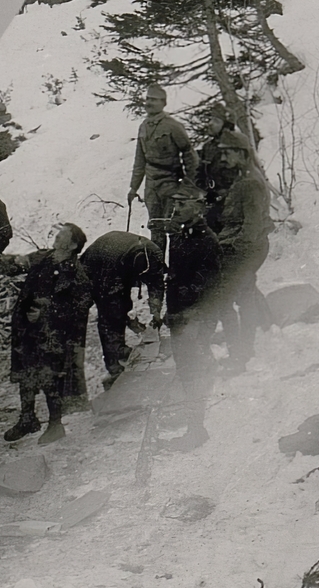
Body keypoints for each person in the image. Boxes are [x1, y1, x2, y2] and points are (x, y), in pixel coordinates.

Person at [4, 223, 90, 445]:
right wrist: (7, 260)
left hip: (53, 336)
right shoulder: (45, 256)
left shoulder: (76, 273)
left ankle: (55, 424)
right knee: (26, 373)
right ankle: (27, 418)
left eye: (63, 235)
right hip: (28, 330)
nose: (57, 235)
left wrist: (46, 311)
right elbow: (20, 263)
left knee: (50, 378)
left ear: (71, 245)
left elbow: (79, 308)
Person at [162, 186, 221, 451]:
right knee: (187, 369)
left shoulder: (206, 240)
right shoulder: (180, 236)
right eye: (175, 204)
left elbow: (209, 282)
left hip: (195, 316)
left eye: (183, 204)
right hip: (180, 315)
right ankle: (193, 422)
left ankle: (197, 429)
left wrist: (190, 314)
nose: (177, 209)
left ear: (198, 208)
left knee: (192, 369)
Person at [212, 144, 274, 373]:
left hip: (245, 248)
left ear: (242, 154)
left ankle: (241, 355)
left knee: (229, 300)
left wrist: (236, 250)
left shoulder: (249, 183)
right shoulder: (244, 178)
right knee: (245, 294)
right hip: (245, 246)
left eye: (228, 152)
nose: (224, 156)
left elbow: (252, 223)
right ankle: (247, 348)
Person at [79, 230, 165, 387]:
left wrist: (156, 313)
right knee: (108, 321)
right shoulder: (112, 266)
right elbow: (110, 304)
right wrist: (126, 318)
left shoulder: (154, 254)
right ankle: (115, 369)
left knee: (117, 308)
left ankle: (121, 358)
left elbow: (157, 285)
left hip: (119, 257)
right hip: (97, 264)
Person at [127, 84, 199, 248]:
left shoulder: (173, 126)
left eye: (153, 99)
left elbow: (190, 156)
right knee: (155, 228)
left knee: (173, 229)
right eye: (147, 99)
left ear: (163, 103)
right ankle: (156, 270)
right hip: (152, 186)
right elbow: (140, 160)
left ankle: (175, 271)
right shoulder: (143, 127)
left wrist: (188, 185)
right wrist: (133, 188)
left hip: (171, 184)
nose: (148, 103)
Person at [196, 105, 256, 228]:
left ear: (226, 125)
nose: (210, 123)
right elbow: (199, 173)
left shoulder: (236, 146)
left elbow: (245, 177)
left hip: (231, 204)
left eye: (216, 121)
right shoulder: (208, 147)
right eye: (211, 119)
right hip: (211, 201)